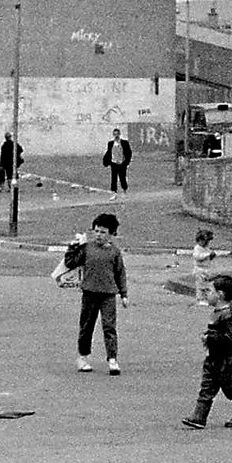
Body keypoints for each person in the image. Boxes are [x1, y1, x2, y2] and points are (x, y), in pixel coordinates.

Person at [180, 274, 232, 429]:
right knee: (207, 388)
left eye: (210, 291)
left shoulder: (228, 315)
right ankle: (199, 417)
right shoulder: (217, 313)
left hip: (227, 361)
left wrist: (210, 338)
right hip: (213, 358)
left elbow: (230, 338)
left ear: (221, 295)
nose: (206, 293)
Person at [75, 212, 128, 374]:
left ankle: (112, 359)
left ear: (111, 234)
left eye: (103, 232)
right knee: (87, 326)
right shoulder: (87, 248)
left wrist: (124, 294)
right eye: (96, 231)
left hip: (108, 294)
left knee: (109, 327)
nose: (98, 235)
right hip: (89, 292)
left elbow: (120, 273)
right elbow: (72, 261)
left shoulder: (115, 252)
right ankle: (83, 357)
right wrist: (76, 246)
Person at [191, 228, 217, 305]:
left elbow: (209, 257)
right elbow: (197, 257)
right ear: (199, 240)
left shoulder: (206, 248)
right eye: (204, 241)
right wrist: (207, 255)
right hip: (199, 269)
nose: (206, 243)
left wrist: (211, 255)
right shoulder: (197, 248)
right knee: (200, 285)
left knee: (207, 285)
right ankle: (200, 299)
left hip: (206, 269)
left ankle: (207, 298)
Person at [102, 127, 132, 192]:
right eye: (115, 134)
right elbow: (109, 152)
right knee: (114, 177)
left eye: (117, 134)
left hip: (122, 162)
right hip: (114, 162)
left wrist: (127, 162)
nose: (116, 135)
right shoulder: (110, 143)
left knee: (122, 177)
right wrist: (106, 161)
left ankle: (124, 189)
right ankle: (114, 190)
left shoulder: (124, 143)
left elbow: (128, 152)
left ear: (119, 134)